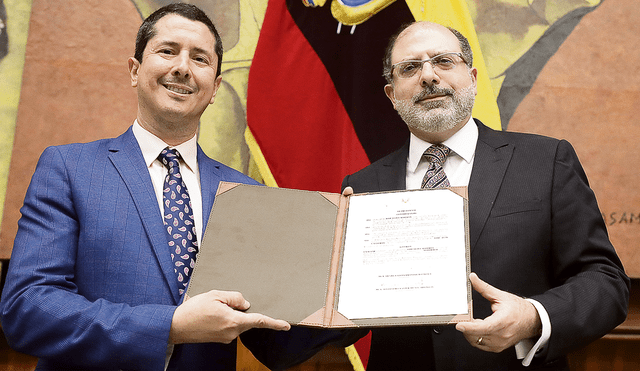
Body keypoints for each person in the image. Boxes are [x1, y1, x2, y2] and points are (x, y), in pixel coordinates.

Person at [0, 4, 353, 370]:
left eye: (200, 58)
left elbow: (276, 344)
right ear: (135, 71)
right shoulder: (70, 169)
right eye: (167, 51)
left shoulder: (245, 194)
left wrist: (353, 285)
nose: (182, 67)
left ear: (215, 87)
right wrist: (169, 327)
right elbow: (28, 309)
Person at [341, 21, 630, 370]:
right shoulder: (362, 187)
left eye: (444, 61)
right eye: (410, 68)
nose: (429, 76)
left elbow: (605, 280)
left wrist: (531, 316)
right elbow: (338, 306)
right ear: (391, 94)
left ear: (473, 78)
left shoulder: (545, 161)